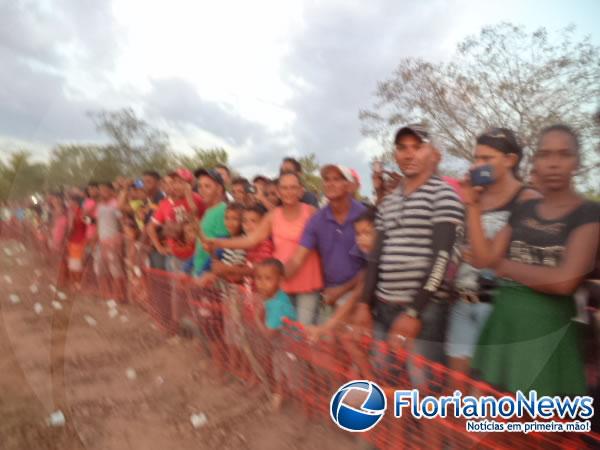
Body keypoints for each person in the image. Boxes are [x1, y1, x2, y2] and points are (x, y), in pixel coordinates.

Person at [467, 124, 600, 396]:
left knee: (538, 427)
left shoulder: (588, 212)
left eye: (563, 154)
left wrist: (503, 266)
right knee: (497, 420)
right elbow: (483, 259)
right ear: (535, 161)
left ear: (577, 161)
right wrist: (472, 206)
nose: (553, 163)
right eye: (545, 154)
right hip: (505, 323)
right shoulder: (524, 208)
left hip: (545, 333)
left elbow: (564, 281)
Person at [355, 124, 465, 375]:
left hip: (425, 311)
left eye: (418, 147)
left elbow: (442, 259)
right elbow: (375, 258)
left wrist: (414, 312)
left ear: (432, 153)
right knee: (387, 376)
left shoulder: (444, 194)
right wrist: (363, 304)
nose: (409, 154)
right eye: (402, 148)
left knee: (424, 386)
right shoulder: (388, 202)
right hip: (384, 305)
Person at [445, 128, 540, 377]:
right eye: (476, 158)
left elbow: (489, 257)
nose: (478, 165)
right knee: (457, 390)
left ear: (510, 160)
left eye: (487, 159)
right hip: (463, 302)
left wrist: (474, 209)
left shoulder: (527, 198)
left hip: (499, 308)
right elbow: (465, 247)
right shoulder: (474, 195)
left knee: (486, 395)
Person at [208, 172, 323, 325]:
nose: (288, 192)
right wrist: (220, 243)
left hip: (307, 283)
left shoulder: (311, 213)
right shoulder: (273, 215)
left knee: (304, 332)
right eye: (284, 188)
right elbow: (252, 239)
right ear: (279, 191)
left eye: (293, 188)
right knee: (284, 332)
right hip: (282, 283)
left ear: (301, 191)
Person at [285, 165, 366, 324]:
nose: (330, 183)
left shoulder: (364, 216)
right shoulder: (317, 220)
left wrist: (341, 290)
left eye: (337, 179)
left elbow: (371, 267)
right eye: (327, 179)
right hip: (329, 294)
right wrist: (276, 278)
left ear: (349, 185)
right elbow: (296, 259)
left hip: (359, 294)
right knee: (324, 344)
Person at [252, 258, 298, 411]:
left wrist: (257, 318)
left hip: (292, 347)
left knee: (293, 376)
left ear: (280, 280)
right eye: (258, 278)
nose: (262, 283)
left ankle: (304, 410)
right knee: (279, 370)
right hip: (281, 346)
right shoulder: (272, 297)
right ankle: (278, 397)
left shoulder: (278, 303)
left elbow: (268, 333)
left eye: (268, 279)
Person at [148, 169, 205, 273]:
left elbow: (195, 215)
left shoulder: (197, 199)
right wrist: (159, 247)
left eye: (180, 182)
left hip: (194, 254)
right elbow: (151, 227)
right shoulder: (165, 203)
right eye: (174, 182)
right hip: (174, 254)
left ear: (189, 185)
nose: (175, 186)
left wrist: (188, 195)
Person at [192, 169, 229, 278]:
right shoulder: (208, 211)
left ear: (219, 189)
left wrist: (202, 272)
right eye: (200, 186)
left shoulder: (223, 211)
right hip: (198, 272)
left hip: (209, 278)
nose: (202, 190)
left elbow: (221, 247)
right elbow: (201, 244)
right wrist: (188, 266)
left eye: (207, 186)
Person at [95, 182, 127, 303]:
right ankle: (106, 292)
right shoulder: (99, 205)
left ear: (111, 191)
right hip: (102, 241)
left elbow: (122, 221)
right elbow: (98, 223)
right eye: (100, 190)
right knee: (101, 268)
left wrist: (120, 238)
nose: (101, 192)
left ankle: (119, 295)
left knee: (116, 269)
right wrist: (97, 239)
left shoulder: (115, 204)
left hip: (113, 240)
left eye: (104, 190)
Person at [142, 171, 167, 270]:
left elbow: (163, 224)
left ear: (158, 183)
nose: (145, 185)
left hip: (160, 245)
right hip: (151, 245)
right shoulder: (147, 200)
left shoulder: (162, 199)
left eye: (149, 182)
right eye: (144, 182)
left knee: (160, 274)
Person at [66, 194, 87, 290]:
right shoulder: (71, 213)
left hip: (80, 240)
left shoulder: (81, 213)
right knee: (72, 264)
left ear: (76, 203)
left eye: (71, 201)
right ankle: (73, 283)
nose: (69, 203)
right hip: (72, 241)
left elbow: (87, 225)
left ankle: (78, 283)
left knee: (77, 264)